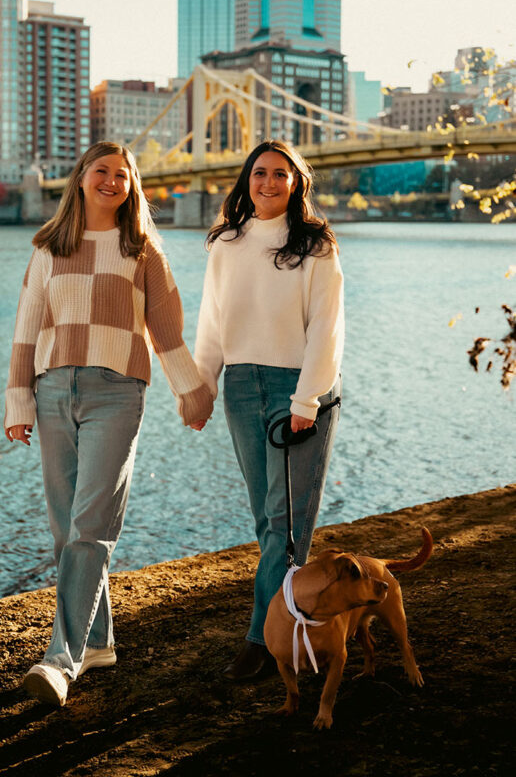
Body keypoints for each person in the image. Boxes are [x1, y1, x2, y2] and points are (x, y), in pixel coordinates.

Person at [5, 141, 213, 706]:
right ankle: (97, 641)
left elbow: (166, 331)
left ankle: (60, 660)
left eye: (123, 174)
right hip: (51, 393)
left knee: (91, 524)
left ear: (133, 186)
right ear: (81, 179)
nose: (112, 180)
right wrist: (17, 402)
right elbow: (26, 331)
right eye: (103, 171)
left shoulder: (143, 251)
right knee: (64, 528)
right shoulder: (49, 248)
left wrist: (191, 392)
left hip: (116, 394)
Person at [193, 139, 344, 682]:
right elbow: (211, 326)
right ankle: (298, 625)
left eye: (281, 174)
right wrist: (201, 389)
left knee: (285, 522)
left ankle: (261, 640)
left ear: (296, 183)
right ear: (246, 179)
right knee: (268, 520)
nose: (269, 182)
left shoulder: (316, 246)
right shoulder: (226, 244)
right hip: (239, 385)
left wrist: (306, 400)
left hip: (298, 390)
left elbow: (327, 329)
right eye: (260, 172)